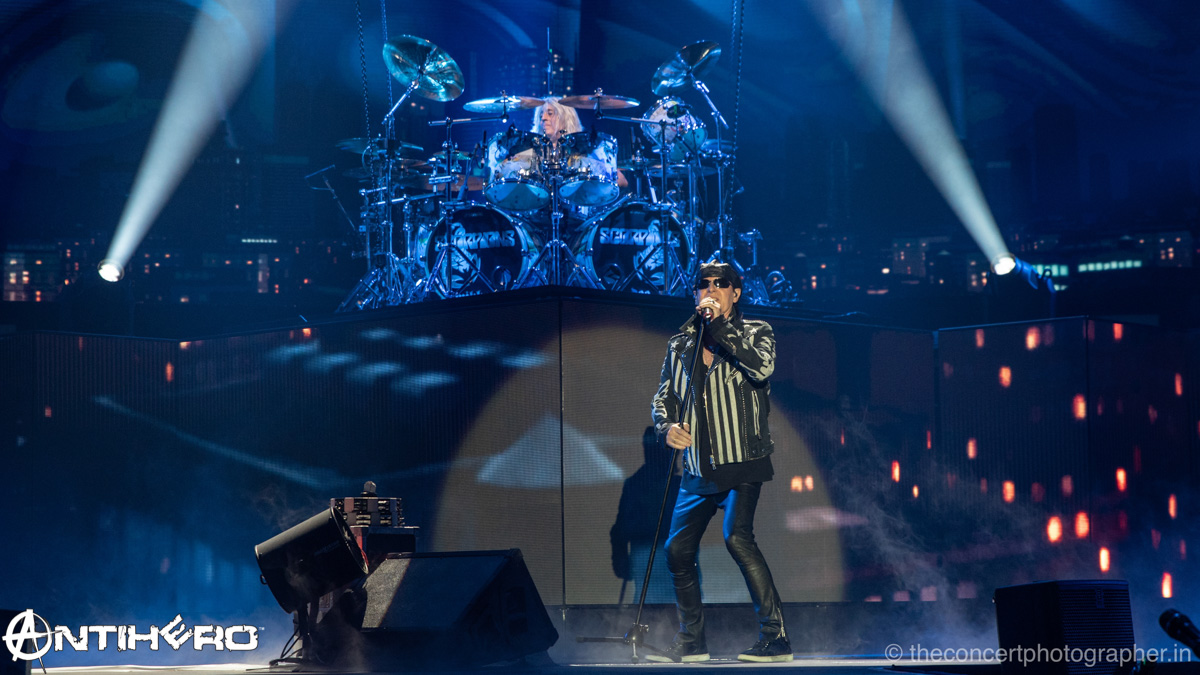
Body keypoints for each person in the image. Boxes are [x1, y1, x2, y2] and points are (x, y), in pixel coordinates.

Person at [648, 262, 791, 663]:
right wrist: (667, 427)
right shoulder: (680, 343)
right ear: (695, 293)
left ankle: (776, 638)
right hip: (697, 467)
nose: (710, 290)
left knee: (737, 539)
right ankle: (692, 642)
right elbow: (664, 397)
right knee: (677, 550)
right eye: (703, 285)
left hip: (743, 460)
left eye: (720, 284)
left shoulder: (756, 331)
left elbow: (761, 368)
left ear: (736, 292)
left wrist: (720, 328)